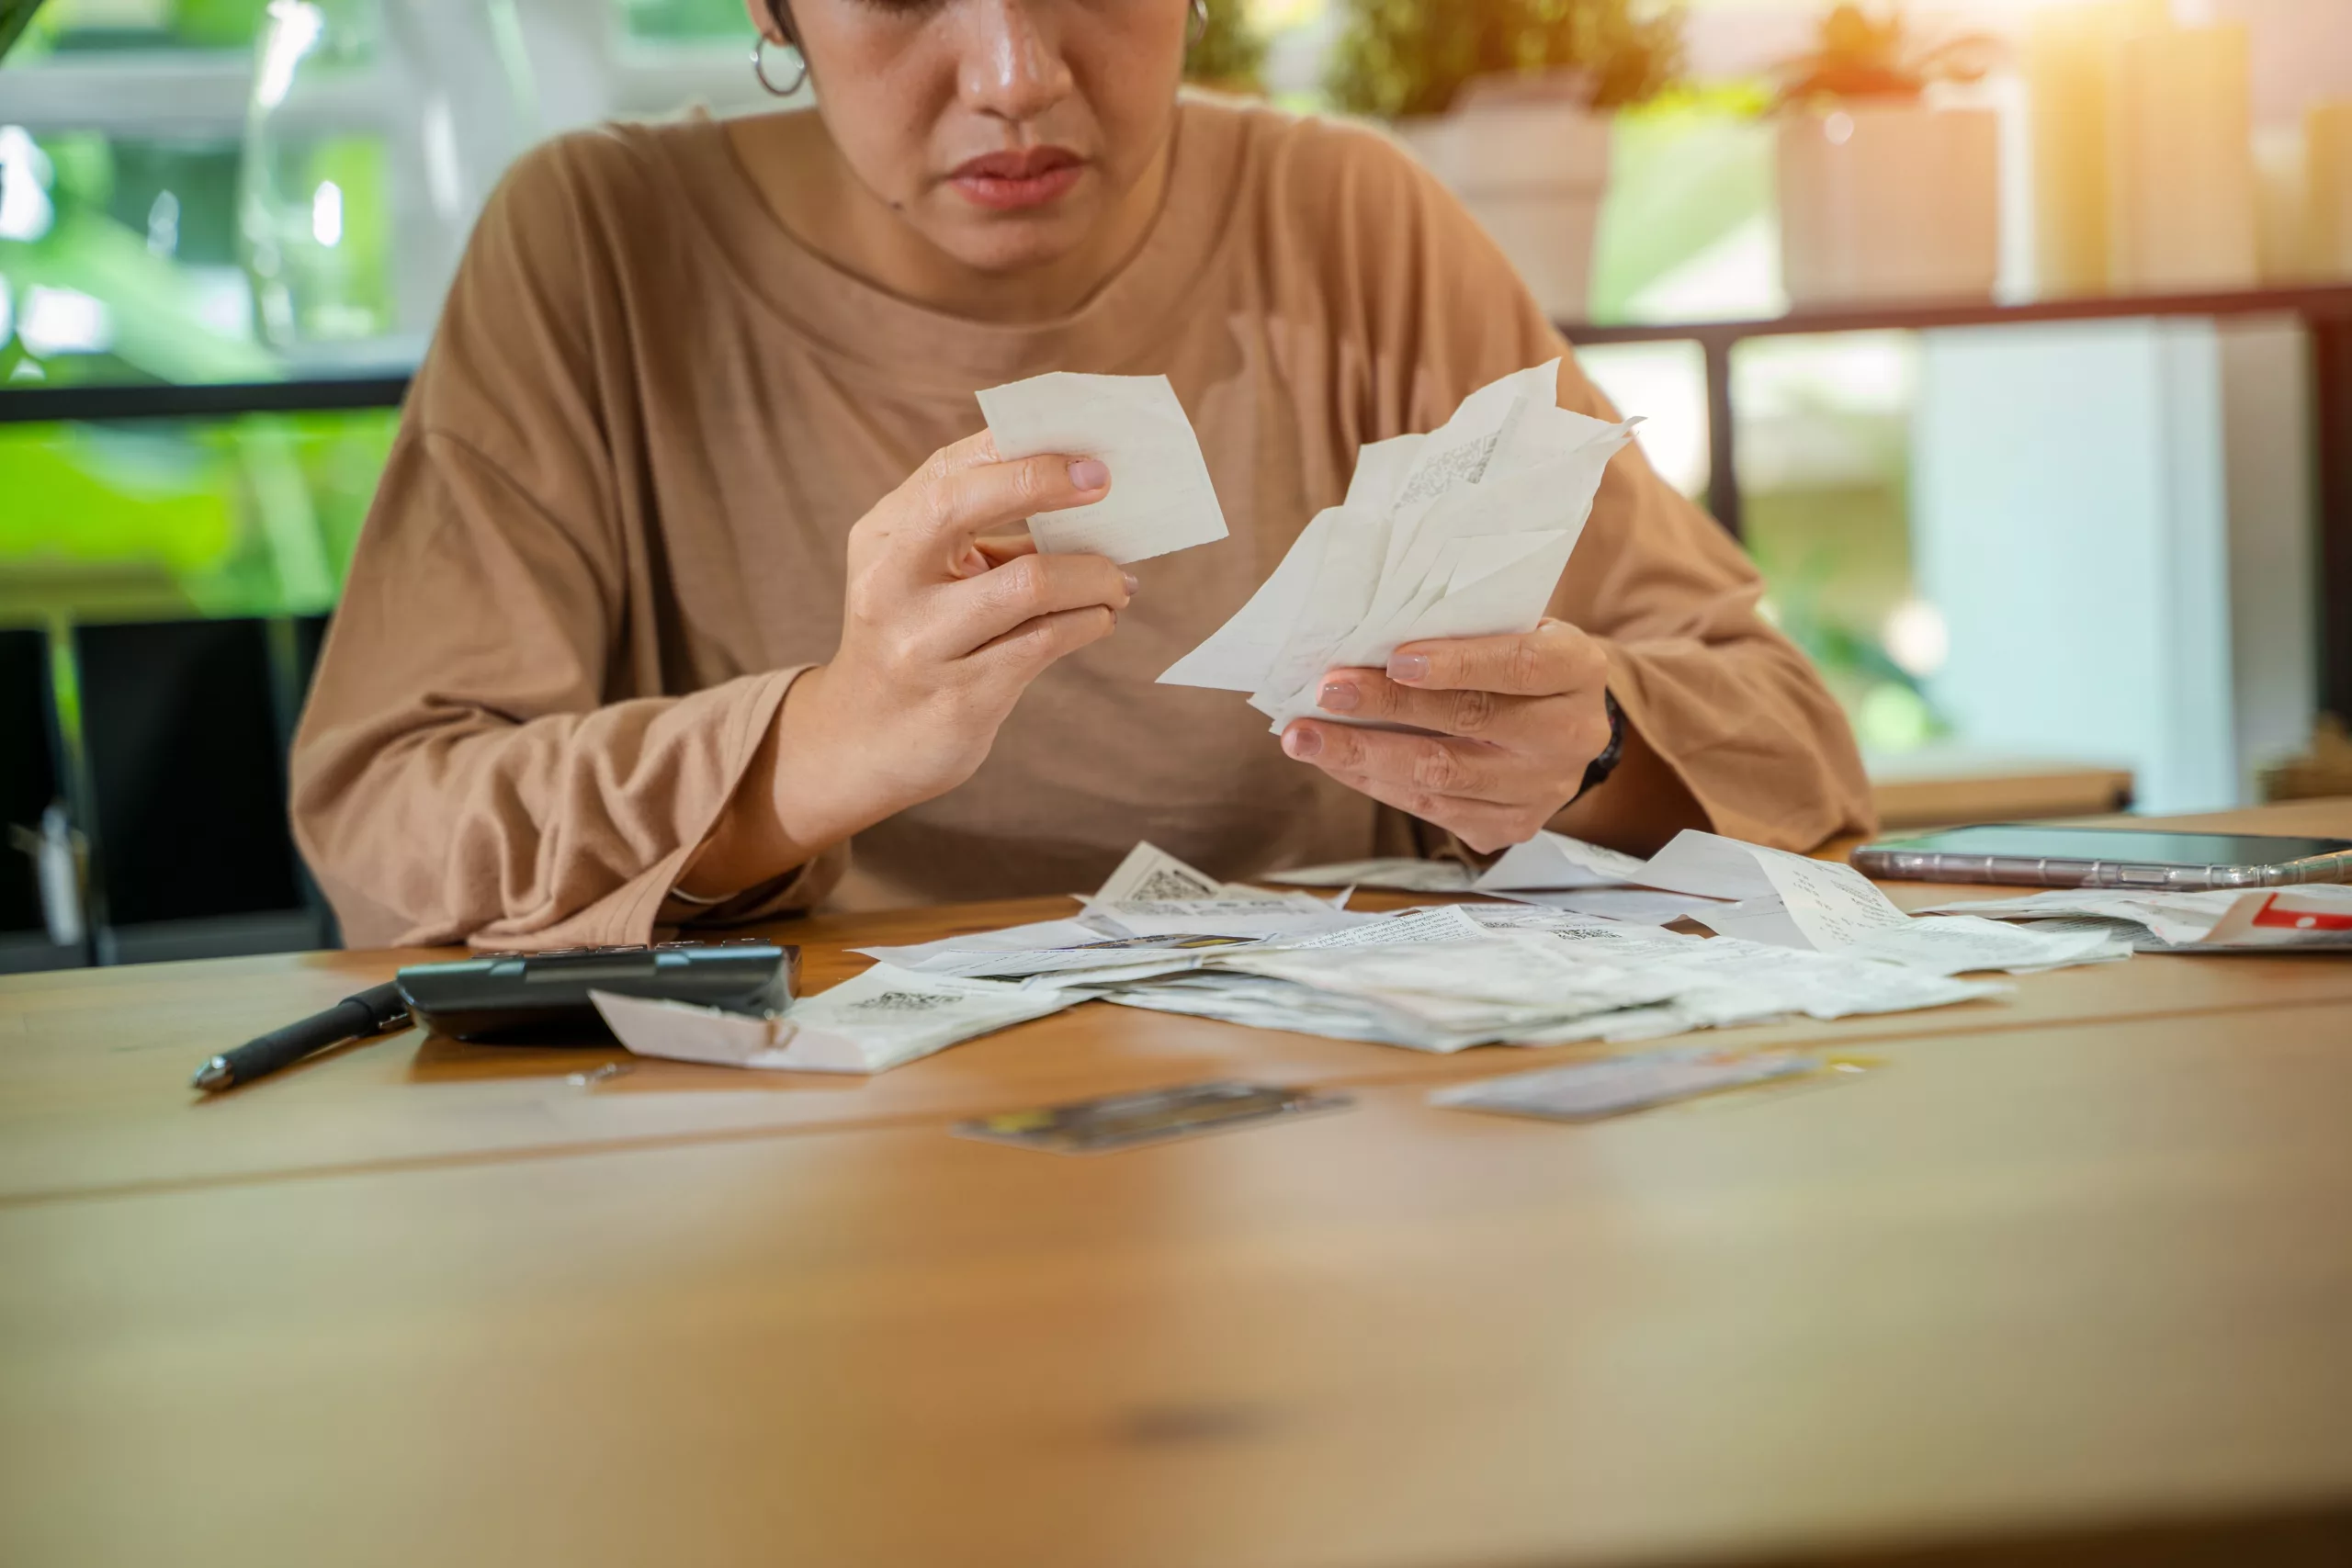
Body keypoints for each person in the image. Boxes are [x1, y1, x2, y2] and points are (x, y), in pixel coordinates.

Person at [290, 0, 1874, 951]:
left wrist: (1588, 751)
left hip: (1325, 1161)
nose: (1012, 74)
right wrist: (811, 750)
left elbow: (1788, 732)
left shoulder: (1355, 225)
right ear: (772, 8)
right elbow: (381, 828)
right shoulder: (594, 251)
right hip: (774, 1184)